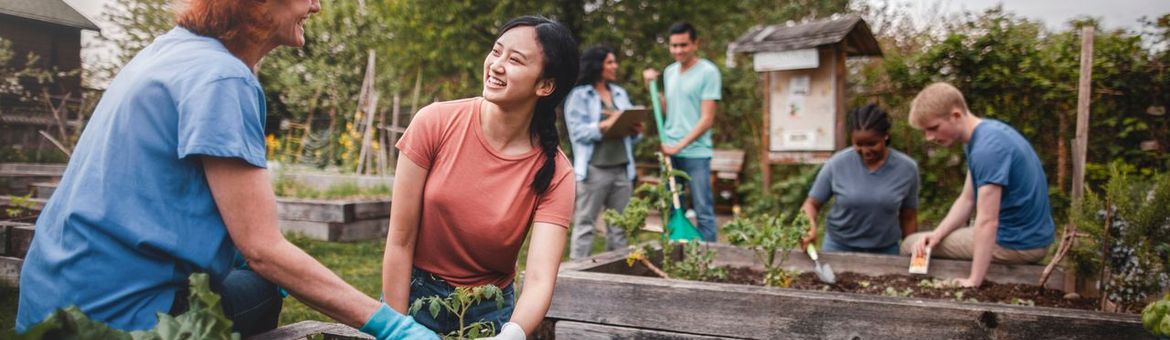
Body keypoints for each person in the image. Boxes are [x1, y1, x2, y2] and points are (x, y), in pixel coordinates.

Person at [15, 1, 436, 339]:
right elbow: (263, 250)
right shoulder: (222, 79)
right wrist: (394, 326)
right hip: (118, 319)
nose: (316, 6)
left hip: (52, 298)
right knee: (264, 288)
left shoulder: (169, 51)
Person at [380, 16, 578, 340]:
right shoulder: (434, 122)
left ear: (545, 86)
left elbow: (541, 278)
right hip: (415, 298)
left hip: (489, 312)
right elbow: (400, 241)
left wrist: (510, 334)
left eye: (515, 60)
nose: (497, 65)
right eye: (496, 51)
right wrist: (396, 326)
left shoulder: (556, 172)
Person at [901, 82, 1055, 288]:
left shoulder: (987, 149)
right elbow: (967, 199)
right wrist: (936, 234)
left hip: (1017, 243)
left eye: (933, 128)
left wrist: (974, 280)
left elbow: (988, 221)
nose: (929, 137)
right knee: (926, 241)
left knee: (910, 244)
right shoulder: (985, 136)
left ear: (955, 115)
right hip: (1028, 237)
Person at [801, 104, 920, 255]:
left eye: (872, 144)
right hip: (838, 247)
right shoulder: (837, 164)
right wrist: (808, 226)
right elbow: (811, 204)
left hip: (886, 250)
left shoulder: (906, 169)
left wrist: (913, 255)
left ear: (886, 136)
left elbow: (908, 217)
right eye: (858, 144)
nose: (865, 151)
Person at [642, 21, 722, 242]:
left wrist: (680, 145)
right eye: (674, 46)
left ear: (695, 44)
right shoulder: (669, 72)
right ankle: (676, 254)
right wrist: (652, 88)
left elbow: (707, 119)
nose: (678, 50)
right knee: (671, 206)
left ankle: (709, 260)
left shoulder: (708, 72)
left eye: (683, 45)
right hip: (670, 151)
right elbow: (670, 110)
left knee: (703, 209)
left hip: (696, 152)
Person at [564, 45, 644, 260]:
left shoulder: (619, 93)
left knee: (619, 227)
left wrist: (635, 129)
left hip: (622, 169)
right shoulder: (579, 95)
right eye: (610, 62)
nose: (615, 66)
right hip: (594, 171)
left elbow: (630, 129)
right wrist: (604, 125)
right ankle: (577, 273)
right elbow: (578, 132)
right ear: (597, 65)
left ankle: (616, 273)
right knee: (585, 223)